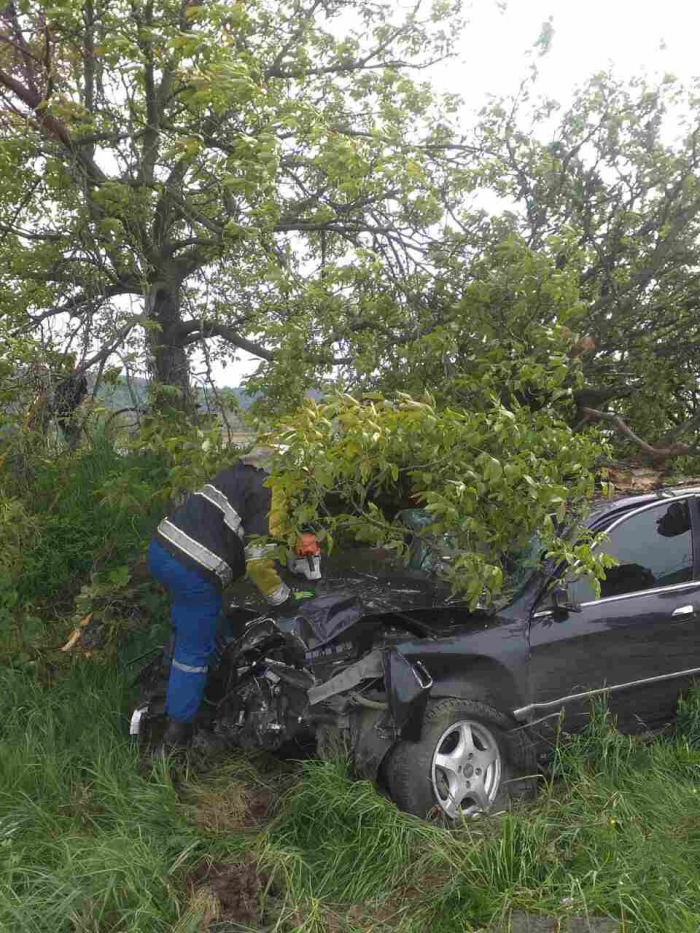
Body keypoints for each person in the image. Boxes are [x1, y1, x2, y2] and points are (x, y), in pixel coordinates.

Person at [147, 445, 321, 752]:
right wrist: (282, 599)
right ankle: (175, 740)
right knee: (194, 654)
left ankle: (168, 690)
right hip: (194, 569)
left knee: (195, 626)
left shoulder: (241, 474)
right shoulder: (271, 490)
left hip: (163, 549)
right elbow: (257, 562)